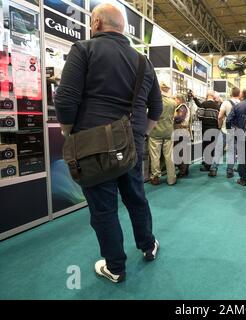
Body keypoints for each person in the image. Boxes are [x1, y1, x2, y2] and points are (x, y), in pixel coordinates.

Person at [54, 4, 162, 283]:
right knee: (136, 199)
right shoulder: (144, 62)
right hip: (131, 148)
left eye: (91, 22)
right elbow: (157, 110)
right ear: (123, 27)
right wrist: (140, 135)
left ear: (98, 22)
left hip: (92, 147)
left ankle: (115, 267)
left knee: (104, 209)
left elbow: (65, 100)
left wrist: (71, 135)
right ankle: (148, 246)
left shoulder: (84, 50)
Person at [227, 88, 246, 186]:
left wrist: (232, 131)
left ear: (242, 95)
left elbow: (228, 120)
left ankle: (243, 179)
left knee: (242, 157)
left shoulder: (237, 106)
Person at [148, 82, 177, 186]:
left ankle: (155, 177)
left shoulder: (154, 101)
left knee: (155, 156)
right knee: (169, 156)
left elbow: (149, 116)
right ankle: (171, 179)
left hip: (155, 131)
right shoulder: (173, 102)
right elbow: (173, 116)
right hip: (168, 131)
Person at [194, 91, 220, 176]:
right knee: (212, 147)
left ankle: (207, 166)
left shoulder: (204, 104)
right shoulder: (217, 106)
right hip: (215, 129)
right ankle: (212, 166)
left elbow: (200, 116)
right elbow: (219, 118)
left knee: (206, 147)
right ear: (213, 97)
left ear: (206, 96)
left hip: (206, 129)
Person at [218, 87, 240, 179]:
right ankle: (230, 171)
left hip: (224, 129)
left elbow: (220, 116)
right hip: (236, 131)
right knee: (232, 152)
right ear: (239, 94)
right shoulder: (241, 104)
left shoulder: (226, 103)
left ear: (231, 93)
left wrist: (219, 126)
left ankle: (213, 169)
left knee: (218, 150)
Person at [173, 93, 191, 178]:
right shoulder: (183, 107)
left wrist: (171, 117)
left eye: (175, 99)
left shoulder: (182, 107)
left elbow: (179, 118)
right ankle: (184, 170)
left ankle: (182, 171)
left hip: (181, 131)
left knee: (180, 152)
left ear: (179, 99)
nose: (174, 101)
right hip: (183, 131)